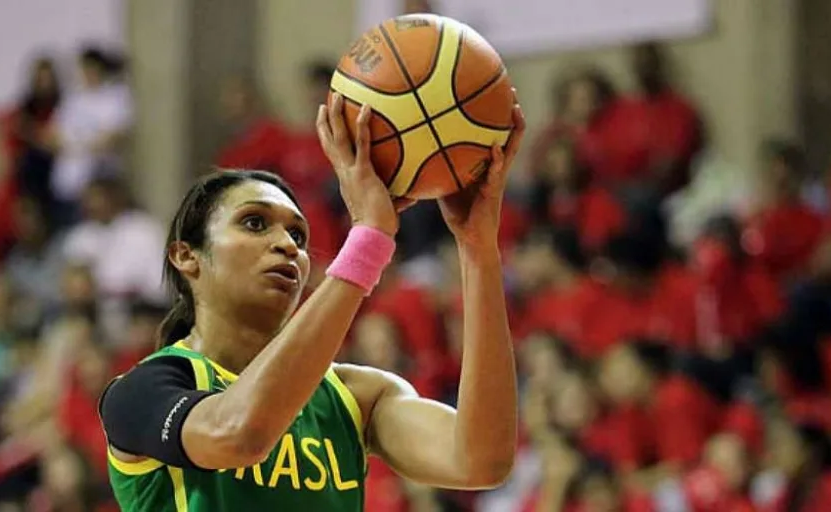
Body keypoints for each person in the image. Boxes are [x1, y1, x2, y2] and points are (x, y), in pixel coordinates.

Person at [98, 92, 525, 510]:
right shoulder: (142, 391)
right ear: (186, 256)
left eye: (298, 236)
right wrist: (368, 242)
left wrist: (477, 250)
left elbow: (481, 459)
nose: (286, 244)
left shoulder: (357, 396)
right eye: (254, 222)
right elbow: (239, 432)